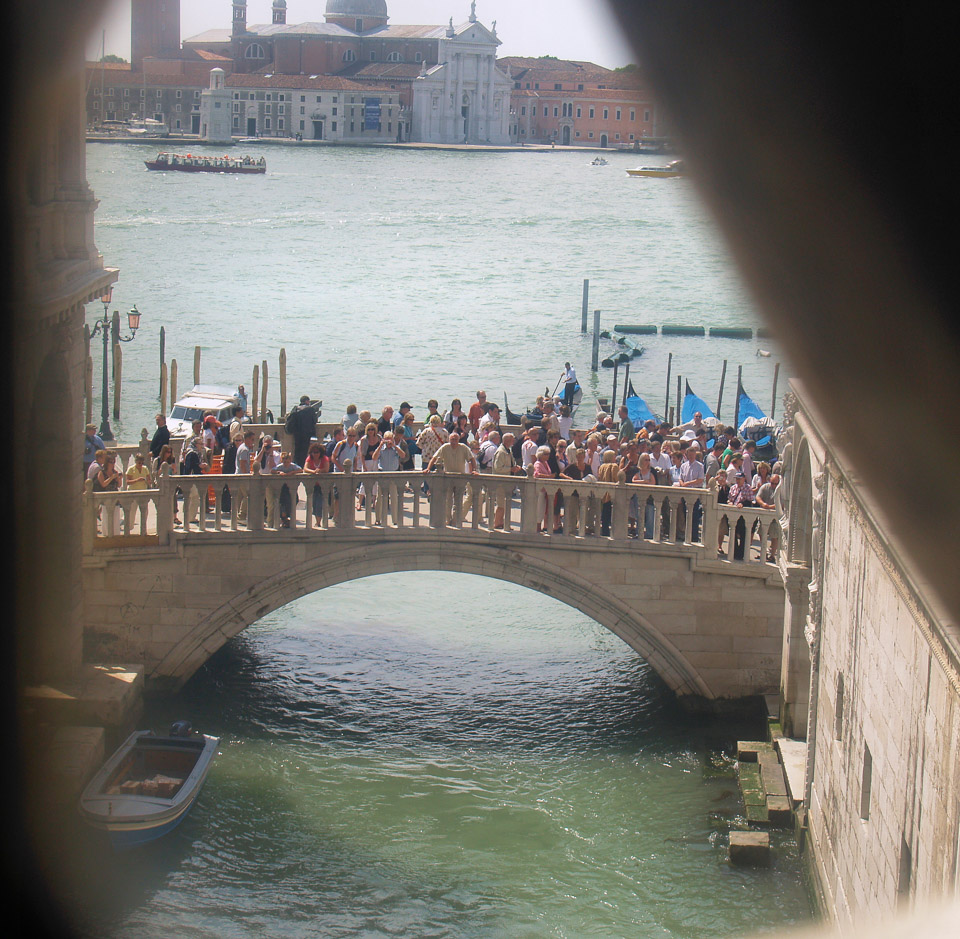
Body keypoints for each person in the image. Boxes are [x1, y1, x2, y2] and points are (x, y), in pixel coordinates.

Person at [303, 441, 331, 526]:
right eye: (313, 452)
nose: (315, 454)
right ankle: (317, 520)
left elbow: (326, 469)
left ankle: (318, 522)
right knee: (313, 504)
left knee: (319, 503)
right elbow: (305, 468)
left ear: (320, 452)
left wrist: (320, 470)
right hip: (312, 485)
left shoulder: (324, 458)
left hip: (322, 486)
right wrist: (313, 471)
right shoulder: (309, 458)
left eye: (317, 452)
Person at [285, 395, 318, 468]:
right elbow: (315, 420)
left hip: (297, 434)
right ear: (307, 401)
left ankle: (297, 467)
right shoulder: (310, 409)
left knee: (297, 452)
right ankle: (303, 467)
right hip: (306, 434)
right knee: (305, 452)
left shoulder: (295, 408)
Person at [274, 451, 301, 528]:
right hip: (282, 488)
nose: (286, 464)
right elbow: (273, 470)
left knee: (294, 500)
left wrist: (292, 473)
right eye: (285, 462)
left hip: (291, 488)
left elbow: (300, 470)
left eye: (288, 462)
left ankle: (288, 517)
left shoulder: (293, 466)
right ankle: (284, 519)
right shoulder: (280, 466)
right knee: (283, 503)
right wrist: (279, 472)